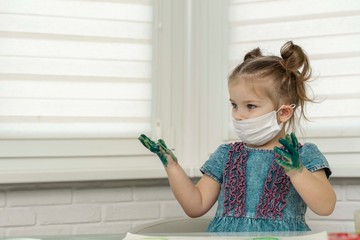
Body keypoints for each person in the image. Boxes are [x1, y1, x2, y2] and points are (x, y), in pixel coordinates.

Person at [138, 41, 336, 232]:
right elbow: (195, 206)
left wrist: (296, 171)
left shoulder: (303, 156)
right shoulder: (226, 155)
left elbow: (325, 206)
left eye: (250, 106)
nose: (238, 114)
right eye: (234, 105)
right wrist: (172, 167)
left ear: (283, 113)